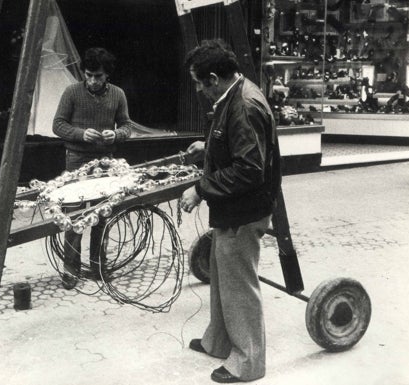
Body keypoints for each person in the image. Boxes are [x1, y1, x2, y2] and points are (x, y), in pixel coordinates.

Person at [179, 39, 282, 383]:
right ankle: (219, 342)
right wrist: (208, 148)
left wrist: (199, 189)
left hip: (245, 210)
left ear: (212, 78)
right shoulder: (234, 95)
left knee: (239, 285)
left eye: (198, 82)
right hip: (232, 207)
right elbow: (239, 145)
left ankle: (249, 363)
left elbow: (249, 169)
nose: (197, 89)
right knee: (223, 276)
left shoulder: (244, 104)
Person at [52, 47, 132, 289]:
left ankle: (98, 265)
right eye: (88, 75)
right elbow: (57, 125)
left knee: (101, 216)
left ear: (107, 74)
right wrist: (80, 133)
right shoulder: (71, 92)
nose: (93, 81)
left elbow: (127, 126)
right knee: (74, 217)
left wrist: (116, 134)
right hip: (76, 160)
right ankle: (70, 270)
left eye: (98, 76)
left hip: (106, 163)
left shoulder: (118, 94)